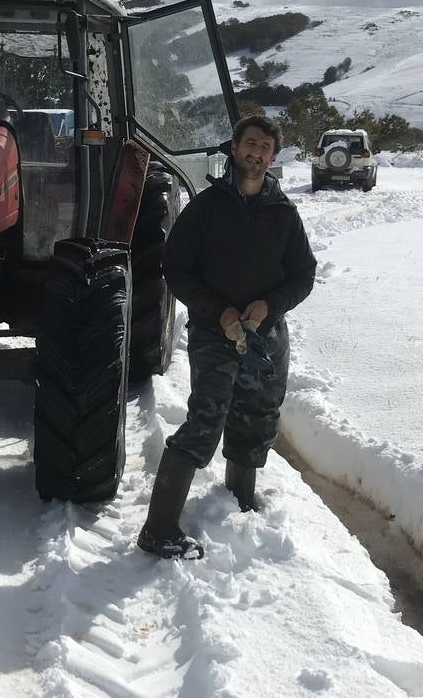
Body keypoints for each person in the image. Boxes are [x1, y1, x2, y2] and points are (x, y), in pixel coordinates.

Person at [137, 115, 317, 560]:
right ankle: (158, 530)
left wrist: (268, 307)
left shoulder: (283, 213)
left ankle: (239, 499)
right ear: (234, 149)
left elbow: (303, 274)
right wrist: (218, 311)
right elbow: (175, 268)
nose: (256, 153)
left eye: (265, 148)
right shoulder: (207, 208)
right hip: (216, 334)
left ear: (273, 157)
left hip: (265, 336)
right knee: (205, 422)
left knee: (257, 417)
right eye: (250, 144)